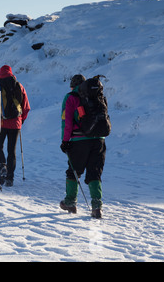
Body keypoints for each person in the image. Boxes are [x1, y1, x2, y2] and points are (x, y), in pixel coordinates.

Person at [60, 74, 106, 218]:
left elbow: (67, 122)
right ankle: (97, 206)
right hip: (99, 139)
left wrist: (65, 141)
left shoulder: (71, 97)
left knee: (74, 171)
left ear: (73, 85)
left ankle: (70, 202)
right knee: (95, 172)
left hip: (79, 140)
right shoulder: (97, 95)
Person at [0, 65, 30, 187]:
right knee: (12, 151)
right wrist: (21, 120)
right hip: (15, 123)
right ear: (11, 73)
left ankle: (1, 169)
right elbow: (26, 106)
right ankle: (10, 178)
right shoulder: (18, 86)